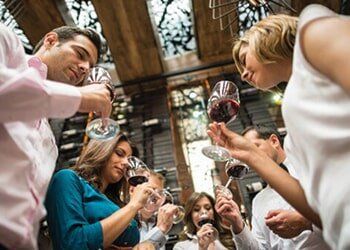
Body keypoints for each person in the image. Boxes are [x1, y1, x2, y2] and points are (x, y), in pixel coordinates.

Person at [207, 4, 350, 249]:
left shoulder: (311, 30)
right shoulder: (293, 140)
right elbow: (324, 216)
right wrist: (250, 155)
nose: (242, 75)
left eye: (244, 60)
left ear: (264, 37)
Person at [0, 24, 113, 249]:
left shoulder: (50, 142)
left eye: (90, 67)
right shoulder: (8, 43)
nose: (84, 68)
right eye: (80, 55)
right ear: (51, 41)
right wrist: (80, 97)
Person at [215, 125, 329, 249]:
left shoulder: (312, 171)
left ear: (274, 141)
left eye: (254, 148)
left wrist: (305, 222)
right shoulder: (258, 201)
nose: (249, 158)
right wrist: (237, 223)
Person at [45, 133, 154, 249]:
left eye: (129, 159)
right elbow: (72, 243)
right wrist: (133, 205)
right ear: (102, 150)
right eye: (119, 153)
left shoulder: (115, 203)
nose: (126, 163)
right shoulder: (67, 178)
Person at [130, 170, 178, 250]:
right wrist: (160, 230)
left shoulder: (156, 224)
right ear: (132, 190)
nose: (157, 197)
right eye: (151, 190)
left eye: (160, 193)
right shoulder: (125, 222)